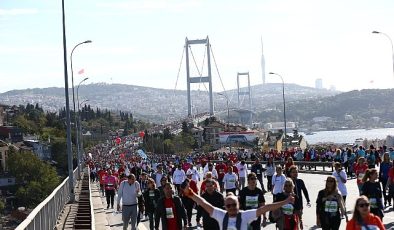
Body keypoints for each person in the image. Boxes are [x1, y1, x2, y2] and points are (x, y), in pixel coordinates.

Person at [183, 183, 295, 230]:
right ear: (225, 207)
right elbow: (203, 203)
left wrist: (285, 201)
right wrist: (191, 194)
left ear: (239, 204)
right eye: (229, 205)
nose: (231, 207)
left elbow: (266, 207)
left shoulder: (245, 215)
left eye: (234, 204)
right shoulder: (220, 215)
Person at [288, 166, 311, 230]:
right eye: (293, 172)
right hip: (290, 204)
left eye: (296, 172)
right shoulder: (288, 182)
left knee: (300, 219)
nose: (295, 173)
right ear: (290, 173)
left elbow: (305, 191)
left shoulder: (300, 181)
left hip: (299, 203)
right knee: (292, 220)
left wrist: (308, 200)